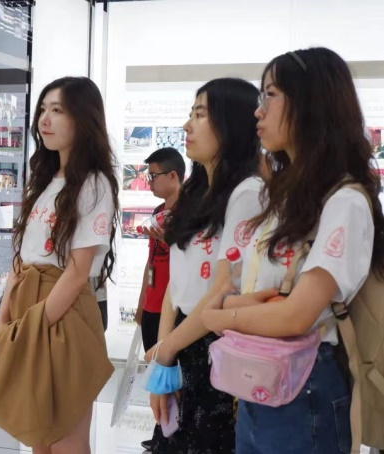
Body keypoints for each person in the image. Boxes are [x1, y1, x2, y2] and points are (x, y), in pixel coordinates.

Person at [201, 48, 384, 454]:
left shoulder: (345, 201)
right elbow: (257, 294)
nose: (258, 111)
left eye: (271, 95)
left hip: (307, 385)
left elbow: (296, 315)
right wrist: (239, 306)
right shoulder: (283, 196)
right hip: (260, 377)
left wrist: (220, 316)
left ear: (311, 101)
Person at [0, 77, 119, 453]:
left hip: (62, 312)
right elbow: (21, 258)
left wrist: (31, 326)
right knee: (37, 435)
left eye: (57, 110)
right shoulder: (45, 181)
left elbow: (78, 272)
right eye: (43, 109)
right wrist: (4, 317)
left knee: (65, 439)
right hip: (29, 307)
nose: (45, 119)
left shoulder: (94, 184)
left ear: (83, 119)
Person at [143, 78, 263, 453]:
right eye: (190, 114)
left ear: (231, 124)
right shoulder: (196, 193)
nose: (187, 125)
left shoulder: (247, 194)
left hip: (217, 344)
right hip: (184, 340)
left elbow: (225, 289)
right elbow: (176, 284)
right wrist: (165, 352)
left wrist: (167, 350)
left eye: (199, 115)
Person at [134, 147, 185, 452]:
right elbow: (150, 262)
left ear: (173, 176)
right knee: (155, 372)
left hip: (175, 307)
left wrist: (169, 238)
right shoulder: (157, 212)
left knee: (173, 373)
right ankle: (160, 430)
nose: (149, 182)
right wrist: (141, 301)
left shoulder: (191, 213)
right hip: (153, 304)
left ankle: (171, 434)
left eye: (153, 176)